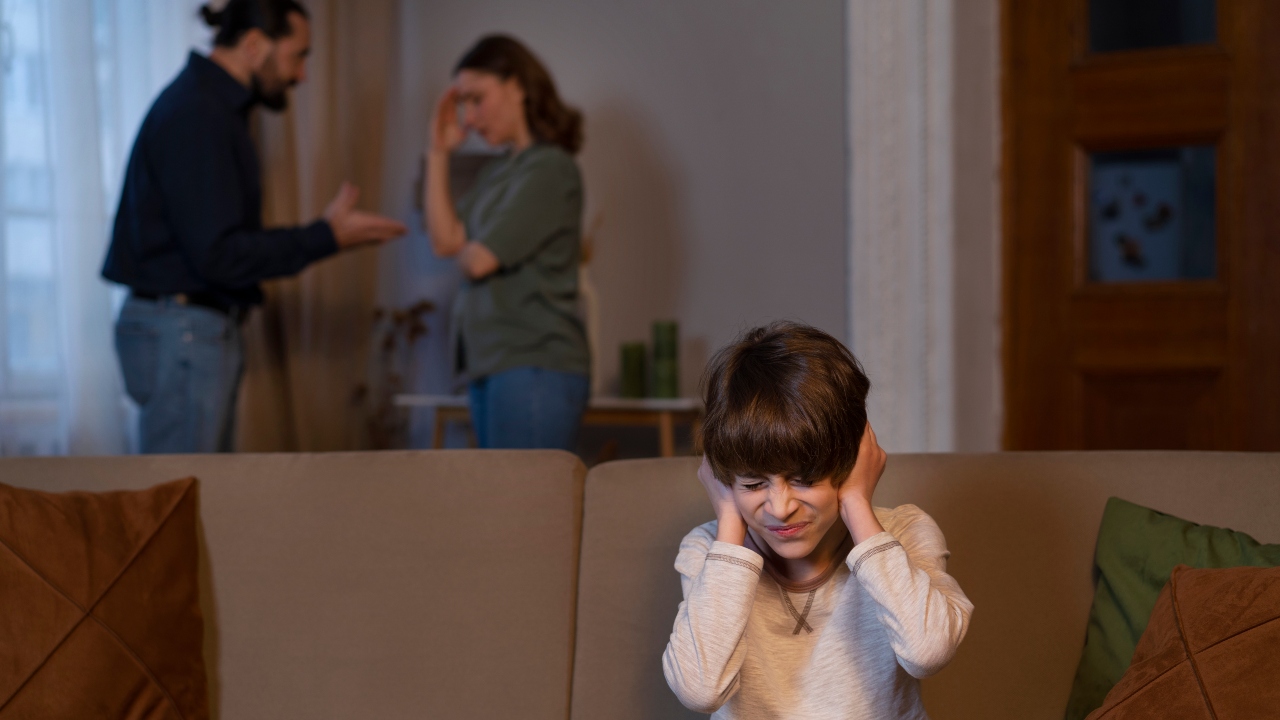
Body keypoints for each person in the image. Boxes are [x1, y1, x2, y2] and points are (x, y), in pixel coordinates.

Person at [101, 0, 407, 454]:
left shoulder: (208, 109)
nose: (301, 75)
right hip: (183, 331)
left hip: (183, 328)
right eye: (297, 55)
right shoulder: (199, 114)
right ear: (253, 45)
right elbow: (219, 255)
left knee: (192, 495)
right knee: (179, 499)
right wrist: (327, 236)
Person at [663, 322, 974, 718]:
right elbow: (700, 691)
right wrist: (729, 523)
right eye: (754, 483)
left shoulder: (904, 533)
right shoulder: (710, 551)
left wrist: (858, 504)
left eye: (805, 479)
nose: (780, 507)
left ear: (850, 462)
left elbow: (927, 652)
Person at [424, 35, 590, 451]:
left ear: (517, 86)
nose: (471, 118)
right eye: (463, 103)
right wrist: (438, 152)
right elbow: (446, 241)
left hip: (534, 365)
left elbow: (479, 260)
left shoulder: (551, 167)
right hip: (493, 365)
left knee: (524, 511)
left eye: (477, 99)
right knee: (504, 509)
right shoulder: (498, 173)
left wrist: (473, 249)